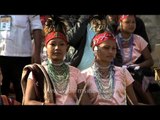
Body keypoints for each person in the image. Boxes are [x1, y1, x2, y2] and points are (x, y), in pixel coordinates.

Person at [22, 19, 86, 105]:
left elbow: (85, 102)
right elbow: (27, 102)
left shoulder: (76, 72)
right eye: (52, 44)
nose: (57, 48)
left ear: (66, 48)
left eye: (61, 44)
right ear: (46, 46)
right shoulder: (37, 72)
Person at [81, 31, 138, 105]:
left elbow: (133, 102)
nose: (111, 51)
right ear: (95, 50)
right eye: (106, 48)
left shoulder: (123, 72)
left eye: (113, 48)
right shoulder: (84, 75)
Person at [0, 15, 43, 103]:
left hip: (22, 57)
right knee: (2, 92)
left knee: (22, 92)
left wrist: (37, 54)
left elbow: (37, 28)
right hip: (2, 56)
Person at [116, 15, 155, 104]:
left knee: (135, 78)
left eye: (133, 22)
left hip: (138, 72)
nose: (131, 25)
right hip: (121, 72)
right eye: (127, 22)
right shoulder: (114, 40)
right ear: (120, 24)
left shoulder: (138, 39)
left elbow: (150, 61)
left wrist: (137, 65)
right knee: (130, 79)